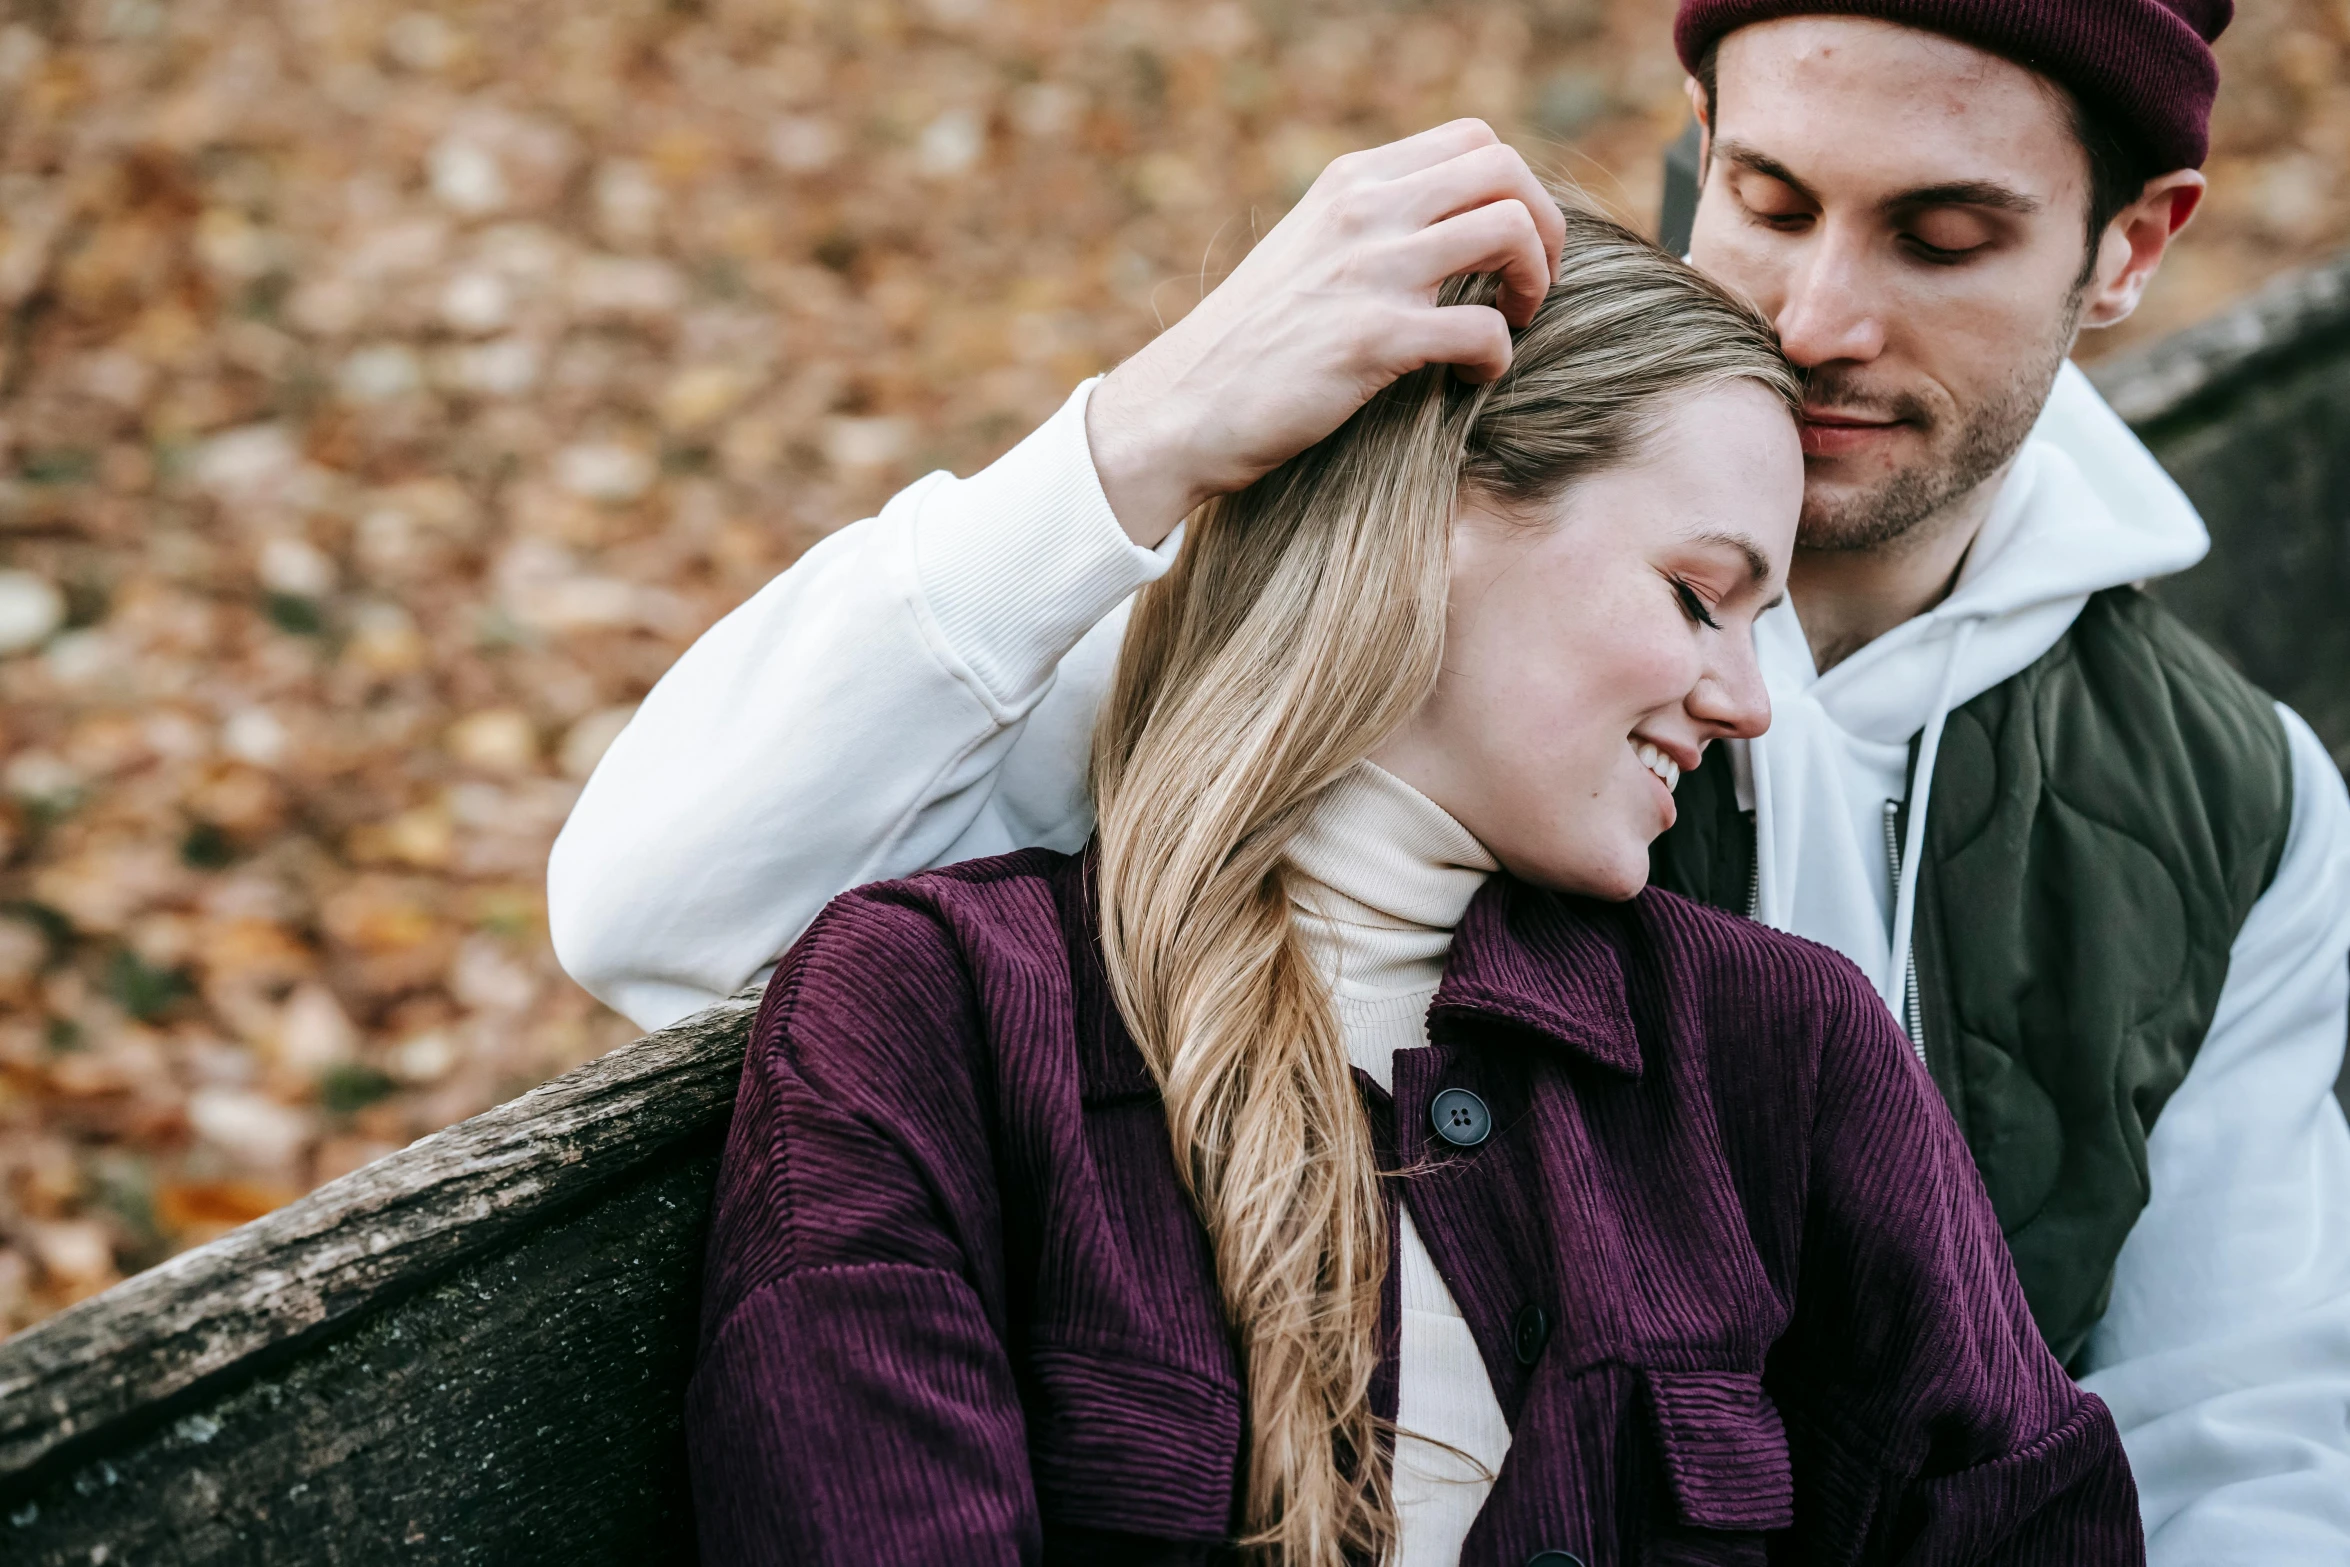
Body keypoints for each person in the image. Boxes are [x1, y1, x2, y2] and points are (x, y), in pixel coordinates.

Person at [553, 0, 2350, 1557]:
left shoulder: (2233, 806)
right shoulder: (1415, 600)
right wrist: (1150, 426)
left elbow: (2237, 1439)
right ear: (1699, 148)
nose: (1813, 318)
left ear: (2128, 246)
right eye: (1766, 199)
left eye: (1942, 238)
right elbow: (658, 907)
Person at [683, 216, 2142, 1564]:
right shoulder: (943, 1010)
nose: (1746, 701)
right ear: (1433, 510)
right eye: (1699, 595)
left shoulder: (1778, 1048)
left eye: (1764, 625)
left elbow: (2029, 1521)